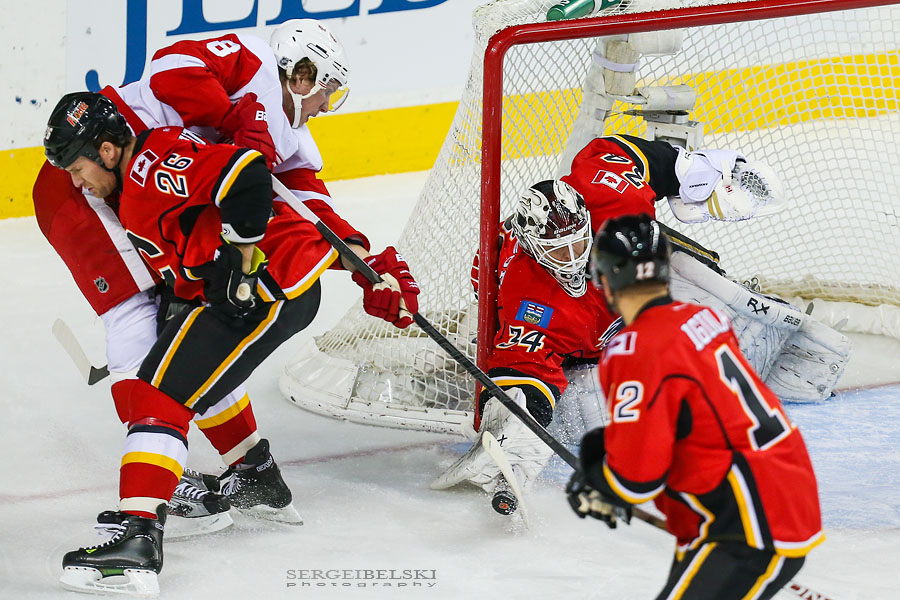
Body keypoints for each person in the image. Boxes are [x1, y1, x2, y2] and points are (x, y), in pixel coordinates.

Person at [43, 94, 417, 600]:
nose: (75, 181)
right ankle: (257, 481)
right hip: (267, 292)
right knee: (179, 376)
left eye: (77, 166)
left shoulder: (151, 166)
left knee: (158, 395)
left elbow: (248, 173)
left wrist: (242, 261)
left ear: (108, 150)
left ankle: (135, 546)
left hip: (266, 293)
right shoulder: (137, 181)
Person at [31, 20, 361, 536]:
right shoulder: (252, 63)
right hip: (88, 184)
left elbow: (301, 195)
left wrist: (360, 252)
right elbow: (170, 70)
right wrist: (232, 121)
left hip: (152, 190)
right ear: (302, 74)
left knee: (191, 320)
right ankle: (170, 477)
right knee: (138, 314)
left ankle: (250, 472)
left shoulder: (291, 133)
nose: (326, 106)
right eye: (328, 91)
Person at [566, 214, 823, 600]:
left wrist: (603, 478)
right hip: (776, 489)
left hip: (746, 520)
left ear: (606, 278)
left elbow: (636, 479)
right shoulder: (703, 317)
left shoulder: (635, 349)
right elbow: (693, 426)